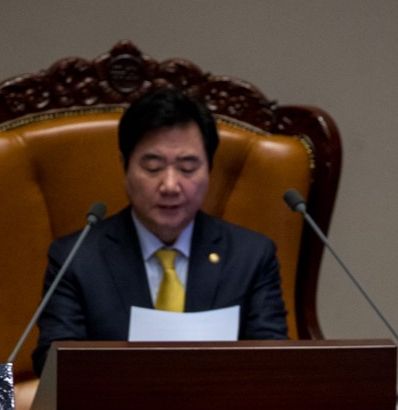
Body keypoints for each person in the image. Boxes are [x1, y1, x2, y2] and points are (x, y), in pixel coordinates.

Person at [32, 88, 288, 375]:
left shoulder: (251, 256)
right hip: (114, 404)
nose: (170, 185)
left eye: (187, 168)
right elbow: (53, 366)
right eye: (153, 167)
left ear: (209, 170)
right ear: (125, 167)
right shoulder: (75, 258)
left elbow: (275, 365)